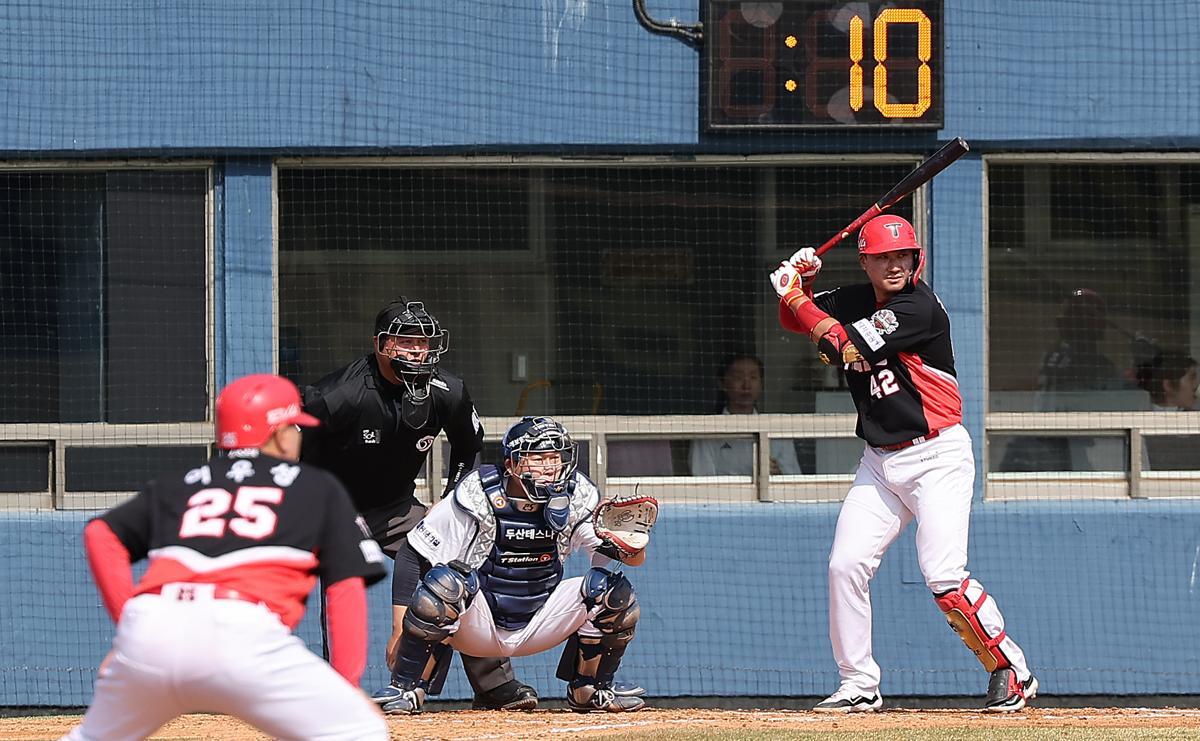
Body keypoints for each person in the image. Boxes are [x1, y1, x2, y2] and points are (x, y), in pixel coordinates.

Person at [770, 215, 1037, 713]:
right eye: (882, 257)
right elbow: (795, 321)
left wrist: (793, 294)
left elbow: (839, 344)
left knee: (944, 575)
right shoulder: (855, 298)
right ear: (865, 261)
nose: (894, 265)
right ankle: (858, 683)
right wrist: (802, 283)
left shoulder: (919, 306)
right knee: (844, 565)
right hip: (879, 461)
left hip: (936, 456)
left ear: (916, 258)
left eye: (902, 256)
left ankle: (1011, 669)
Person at [63, 374, 389, 741]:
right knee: (359, 731)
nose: (299, 435)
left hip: (152, 628)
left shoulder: (181, 481)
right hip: (242, 631)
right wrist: (346, 685)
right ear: (279, 433)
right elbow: (344, 589)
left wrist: (129, 626)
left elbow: (100, 533)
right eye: (295, 427)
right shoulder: (315, 485)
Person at [299, 297, 538, 710]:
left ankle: (493, 683)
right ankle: (336, 691)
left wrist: (450, 508)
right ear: (380, 344)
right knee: (334, 583)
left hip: (395, 508)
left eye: (424, 343)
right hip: (330, 507)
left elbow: (469, 446)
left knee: (459, 567)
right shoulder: (341, 393)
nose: (417, 351)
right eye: (406, 341)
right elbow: (295, 448)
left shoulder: (448, 391)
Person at [379, 416, 653, 715]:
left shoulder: (576, 496)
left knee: (614, 592)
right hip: (477, 625)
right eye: (538, 457)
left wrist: (631, 545)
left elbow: (620, 561)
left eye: (555, 457)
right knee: (445, 583)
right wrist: (398, 630)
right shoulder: (478, 492)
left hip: (540, 621)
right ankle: (406, 688)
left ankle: (591, 689)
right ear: (512, 463)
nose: (550, 467)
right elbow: (412, 553)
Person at [689, 354, 803, 475]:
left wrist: (777, 476)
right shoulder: (707, 434)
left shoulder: (777, 433)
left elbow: (794, 483)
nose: (746, 386)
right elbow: (702, 484)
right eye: (738, 378)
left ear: (761, 384)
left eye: (753, 377)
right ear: (722, 384)